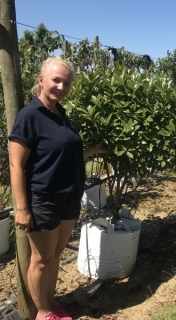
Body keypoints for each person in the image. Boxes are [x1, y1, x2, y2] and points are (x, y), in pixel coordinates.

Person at [8, 57, 108, 320]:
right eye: (56, 80)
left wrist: (93, 151)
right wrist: (22, 209)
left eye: (66, 83)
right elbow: (16, 165)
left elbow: (64, 155)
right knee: (41, 260)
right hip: (44, 199)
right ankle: (42, 313)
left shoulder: (61, 114)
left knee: (55, 255)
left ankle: (51, 303)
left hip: (70, 197)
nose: (61, 86)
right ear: (41, 80)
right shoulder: (29, 116)